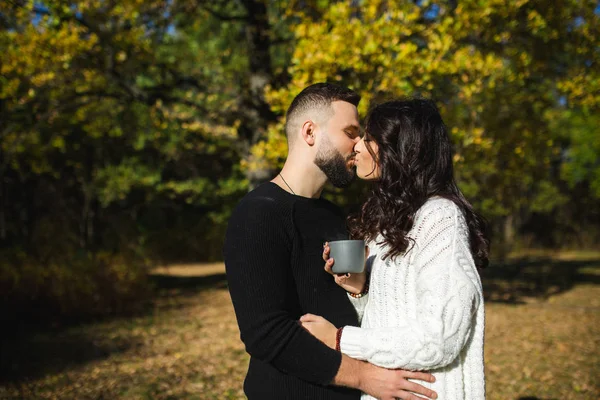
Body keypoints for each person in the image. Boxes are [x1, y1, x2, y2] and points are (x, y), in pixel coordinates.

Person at [224, 84, 438, 400]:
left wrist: (360, 287)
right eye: (351, 132)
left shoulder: (330, 215)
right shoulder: (258, 213)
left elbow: (345, 308)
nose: (360, 145)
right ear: (310, 132)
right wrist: (365, 377)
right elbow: (265, 334)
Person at [300, 99, 489, 399]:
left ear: (402, 150)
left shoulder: (440, 217)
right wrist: (359, 288)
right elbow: (387, 322)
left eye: (369, 139)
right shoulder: (388, 222)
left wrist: (339, 339)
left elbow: (439, 338)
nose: (357, 147)